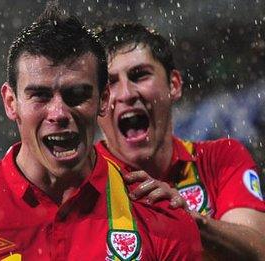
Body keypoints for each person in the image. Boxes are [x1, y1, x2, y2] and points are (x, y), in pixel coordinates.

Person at [0, 6, 202, 260]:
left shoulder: (161, 219)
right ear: (10, 102)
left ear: (103, 100)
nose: (59, 114)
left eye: (77, 94)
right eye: (40, 95)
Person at [96, 22, 265, 259]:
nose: (126, 93)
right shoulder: (79, 182)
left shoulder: (222, 159)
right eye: (110, 83)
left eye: (139, 75)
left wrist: (188, 221)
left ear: (173, 85)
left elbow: (257, 250)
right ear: (97, 102)